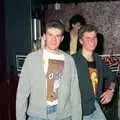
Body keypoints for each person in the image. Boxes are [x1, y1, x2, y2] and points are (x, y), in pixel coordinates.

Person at [16, 20, 82, 120]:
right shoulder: (32, 59)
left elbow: (75, 94)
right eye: (50, 35)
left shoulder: (69, 60)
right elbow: (22, 93)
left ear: (62, 38)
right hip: (37, 115)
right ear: (44, 36)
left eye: (57, 36)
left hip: (63, 115)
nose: (54, 40)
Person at [72, 24, 116, 120]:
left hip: (94, 106)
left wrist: (111, 91)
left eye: (94, 37)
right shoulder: (73, 61)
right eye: (88, 38)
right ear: (81, 41)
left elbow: (113, 77)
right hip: (79, 111)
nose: (92, 41)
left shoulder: (98, 59)